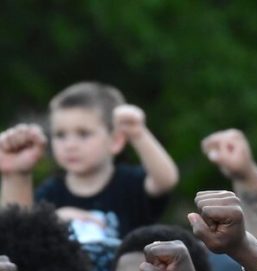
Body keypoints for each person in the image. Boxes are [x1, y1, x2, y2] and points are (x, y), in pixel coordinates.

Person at [0, 82, 178, 238]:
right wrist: (53, 219)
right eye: (60, 135)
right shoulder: (50, 192)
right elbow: (20, 233)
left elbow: (165, 180)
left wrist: (138, 133)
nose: (70, 145)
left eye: (83, 134)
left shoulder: (130, 183)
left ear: (116, 141)